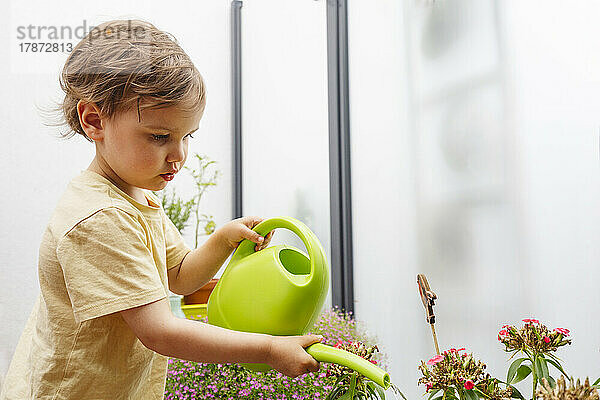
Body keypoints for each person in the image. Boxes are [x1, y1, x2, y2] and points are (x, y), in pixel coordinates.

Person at [1, 19, 322, 399]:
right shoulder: (100, 219)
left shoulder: (136, 196)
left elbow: (178, 276)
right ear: (94, 121)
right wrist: (267, 349)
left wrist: (221, 240)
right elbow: (160, 331)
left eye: (187, 136)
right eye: (159, 137)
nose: (179, 155)